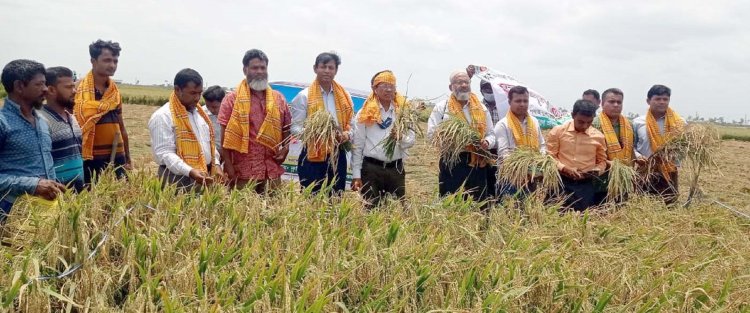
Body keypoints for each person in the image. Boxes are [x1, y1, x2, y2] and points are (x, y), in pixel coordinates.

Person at [1, 60, 66, 222]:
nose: (45, 89)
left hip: (46, 212)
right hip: (12, 214)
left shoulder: (42, 122)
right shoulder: (3, 123)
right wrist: (32, 184)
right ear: (19, 86)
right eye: (40, 84)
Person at [219, 49, 291, 192]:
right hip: (243, 173)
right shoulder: (232, 99)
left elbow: (286, 128)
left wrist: (286, 149)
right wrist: (228, 165)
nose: (259, 71)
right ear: (245, 70)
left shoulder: (278, 98)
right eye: (254, 68)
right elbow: (224, 137)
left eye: (263, 68)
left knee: (274, 212)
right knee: (242, 213)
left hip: (271, 170)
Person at [290, 52, 355, 195]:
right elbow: (295, 128)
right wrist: (315, 134)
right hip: (312, 154)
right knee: (311, 197)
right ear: (315, 68)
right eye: (323, 67)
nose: (327, 71)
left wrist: (347, 134)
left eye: (331, 67)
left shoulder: (345, 96)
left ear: (336, 71)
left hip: (338, 153)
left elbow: (352, 125)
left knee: (336, 198)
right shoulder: (304, 96)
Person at [148, 69, 222, 190]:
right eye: (193, 93)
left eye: (199, 93)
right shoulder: (163, 116)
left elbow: (208, 144)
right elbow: (165, 153)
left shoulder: (200, 114)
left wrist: (217, 165)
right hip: (177, 179)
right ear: (178, 90)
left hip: (203, 175)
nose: (197, 98)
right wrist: (190, 171)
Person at [427, 70, 495, 201]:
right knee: (450, 200)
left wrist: (486, 142)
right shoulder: (442, 108)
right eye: (459, 82)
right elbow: (431, 135)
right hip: (452, 160)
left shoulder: (481, 108)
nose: (464, 85)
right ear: (451, 87)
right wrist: (452, 140)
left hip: (478, 160)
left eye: (466, 82)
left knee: (478, 201)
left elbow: (491, 134)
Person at [351, 70, 415, 207]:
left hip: (396, 169)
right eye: (383, 86)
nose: (388, 89)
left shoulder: (403, 112)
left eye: (391, 86)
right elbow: (358, 145)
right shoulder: (365, 113)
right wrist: (356, 174)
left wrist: (400, 137)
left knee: (397, 209)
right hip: (371, 169)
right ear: (374, 89)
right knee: (370, 208)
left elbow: (411, 140)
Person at [74, 39, 131, 185]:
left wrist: (128, 159)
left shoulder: (114, 92)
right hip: (88, 158)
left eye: (115, 61)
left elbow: (121, 126)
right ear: (93, 61)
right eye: (107, 60)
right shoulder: (77, 89)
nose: (112, 65)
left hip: (116, 156)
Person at [547, 100, 607, 211]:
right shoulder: (558, 132)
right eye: (581, 122)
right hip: (560, 183)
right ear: (573, 115)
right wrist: (564, 168)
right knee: (555, 217)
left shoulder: (598, 136)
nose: (585, 126)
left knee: (583, 219)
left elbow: (602, 161)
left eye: (589, 122)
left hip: (585, 186)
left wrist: (596, 170)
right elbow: (550, 157)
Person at [632, 84, 686, 205]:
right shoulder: (638, 122)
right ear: (648, 101)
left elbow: (685, 147)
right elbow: (632, 146)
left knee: (669, 206)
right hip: (645, 170)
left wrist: (673, 156)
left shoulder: (679, 123)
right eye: (657, 99)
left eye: (665, 99)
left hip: (669, 171)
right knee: (642, 205)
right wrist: (637, 156)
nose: (662, 102)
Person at [493, 86, 546, 197]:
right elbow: (504, 153)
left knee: (532, 210)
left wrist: (540, 160)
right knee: (510, 211)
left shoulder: (534, 122)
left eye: (525, 101)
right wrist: (523, 166)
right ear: (509, 102)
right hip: (510, 178)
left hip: (533, 176)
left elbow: (542, 145)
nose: (522, 104)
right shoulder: (503, 125)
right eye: (518, 101)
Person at [38, 66, 85, 192]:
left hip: (77, 196)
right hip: (55, 197)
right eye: (69, 87)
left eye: (74, 86)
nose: (74, 91)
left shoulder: (72, 118)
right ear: (51, 90)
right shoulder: (40, 121)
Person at [591, 88, 635, 202]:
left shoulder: (629, 125)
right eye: (611, 102)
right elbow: (588, 153)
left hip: (623, 179)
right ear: (602, 103)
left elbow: (631, 150)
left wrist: (637, 158)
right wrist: (607, 163)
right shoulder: (593, 124)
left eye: (619, 102)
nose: (616, 105)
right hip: (600, 182)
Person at [202, 85, 225, 155]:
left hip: (227, 154)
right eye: (208, 106)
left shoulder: (231, 113)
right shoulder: (201, 114)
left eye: (214, 107)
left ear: (224, 102)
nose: (211, 110)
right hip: (209, 154)